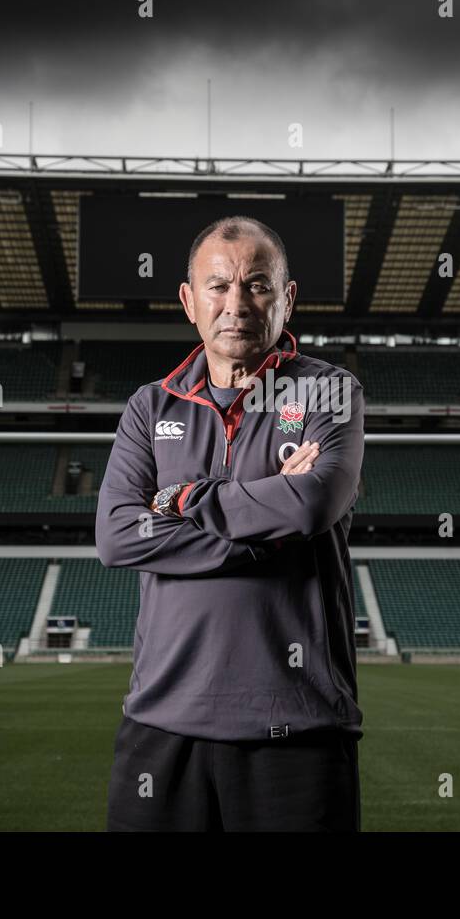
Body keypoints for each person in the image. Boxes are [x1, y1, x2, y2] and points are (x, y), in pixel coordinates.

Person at [97, 215, 365, 831]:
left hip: (297, 726)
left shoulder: (330, 392)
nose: (236, 304)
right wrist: (263, 530)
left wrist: (180, 498)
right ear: (190, 302)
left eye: (258, 285)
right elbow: (116, 535)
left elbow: (312, 505)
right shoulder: (150, 404)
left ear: (287, 298)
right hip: (160, 725)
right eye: (218, 287)